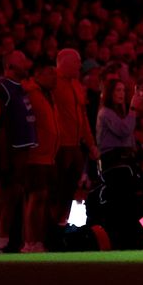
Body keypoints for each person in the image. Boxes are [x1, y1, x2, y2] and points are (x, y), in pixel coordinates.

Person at [0, 51, 37, 252]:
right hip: (11, 149)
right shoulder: (3, 87)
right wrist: (4, 152)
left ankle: (3, 238)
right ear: (10, 66)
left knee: (13, 193)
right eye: (22, 61)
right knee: (1, 193)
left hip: (23, 149)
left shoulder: (20, 88)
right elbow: (0, 122)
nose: (27, 64)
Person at [52, 49, 98, 228]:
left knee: (69, 189)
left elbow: (83, 117)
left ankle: (62, 224)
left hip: (75, 146)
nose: (80, 65)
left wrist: (91, 143)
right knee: (56, 190)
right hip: (60, 146)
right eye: (77, 62)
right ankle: (50, 228)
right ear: (63, 61)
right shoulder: (53, 83)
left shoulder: (77, 85)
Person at [22, 62, 59, 253]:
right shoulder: (30, 93)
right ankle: (29, 241)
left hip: (48, 156)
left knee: (43, 199)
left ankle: (37, 240)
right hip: (35, 155)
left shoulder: (47, 94)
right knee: (36, 198)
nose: (54, 77)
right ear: (38, 74)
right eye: (50, 73)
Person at [96, 78, 136, 160]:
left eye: (123, 90)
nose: (122, 93)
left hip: (123, 154)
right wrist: (133, 108)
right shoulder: (105, 112)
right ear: (110, 93)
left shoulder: (120, 112)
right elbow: (124, 130)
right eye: (118, 90)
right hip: (111, 156)